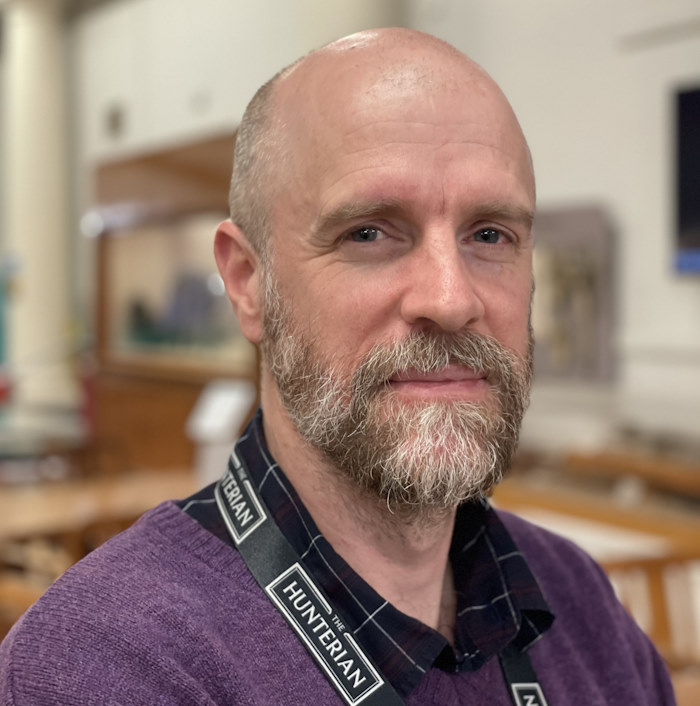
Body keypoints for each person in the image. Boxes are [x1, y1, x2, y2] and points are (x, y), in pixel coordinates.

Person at [0, 28, 675, 706]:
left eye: (490, 234)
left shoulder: (577, 602)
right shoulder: (107, 666)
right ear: (247, 282)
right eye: (369, 233)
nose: (450, 299)